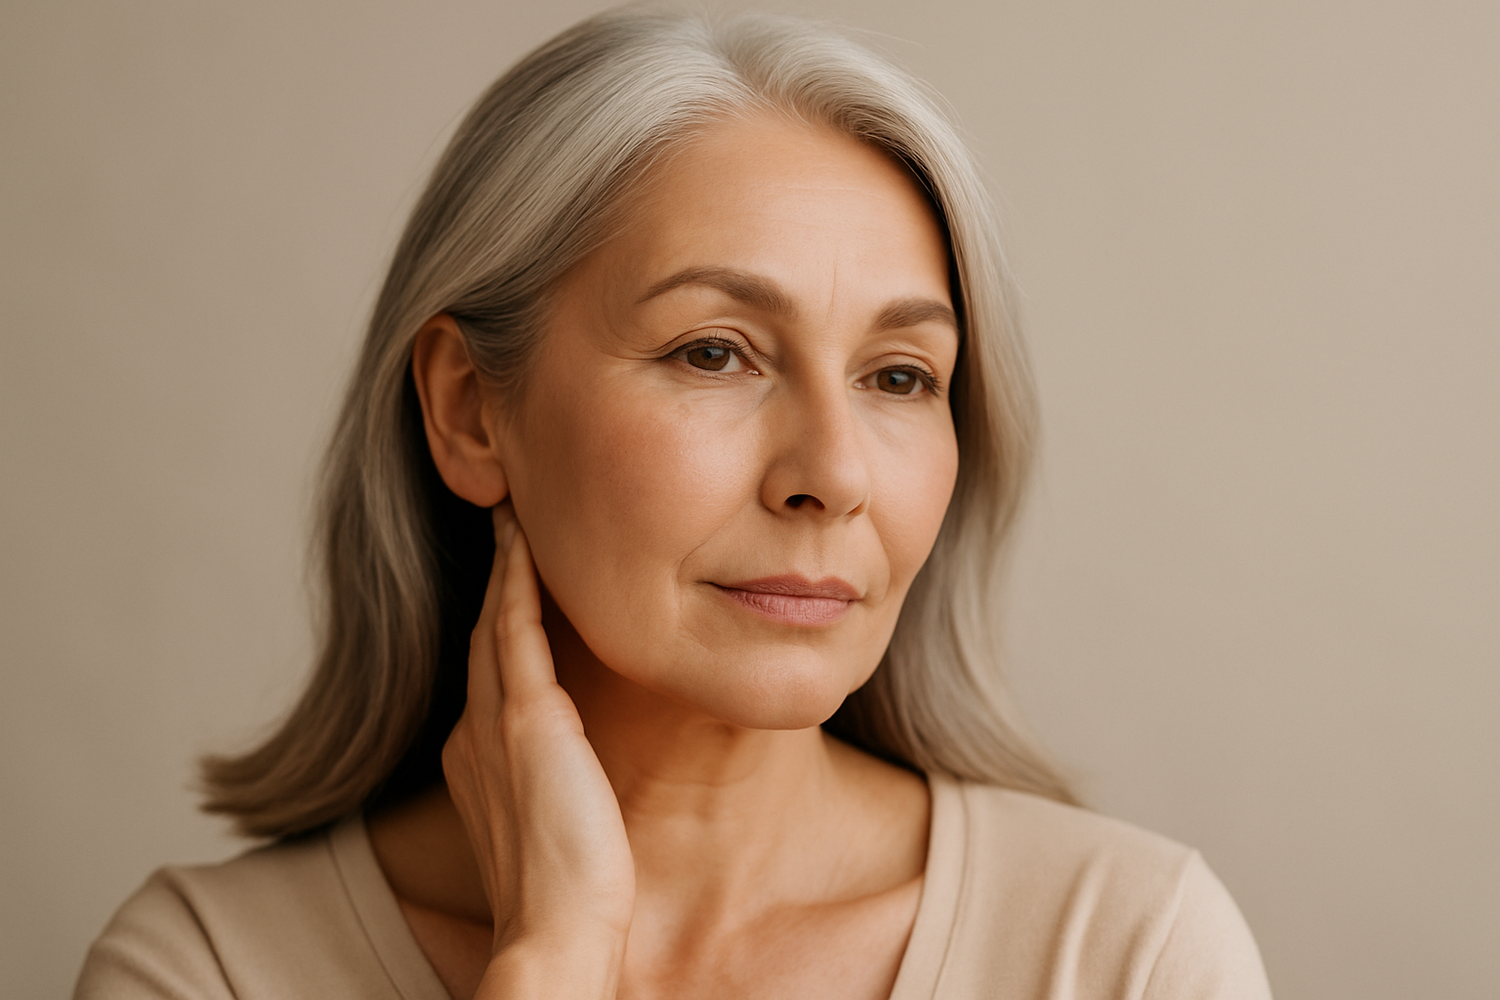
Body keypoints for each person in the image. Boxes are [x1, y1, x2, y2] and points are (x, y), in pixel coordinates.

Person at [75, 9, 1272, 999]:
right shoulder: (206, 970)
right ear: (469, 411)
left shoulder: (1128, 950)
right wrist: (551, 960)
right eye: (715, 353)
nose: (835, 474)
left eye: (900, 375)